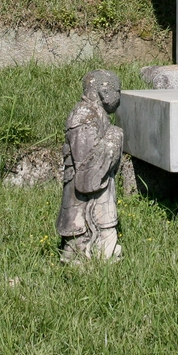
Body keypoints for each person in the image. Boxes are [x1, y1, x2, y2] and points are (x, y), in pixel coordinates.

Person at [56, 70, 124, 262]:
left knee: (106, 244)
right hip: (82, 206)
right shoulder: (83, 117)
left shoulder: (96, 114)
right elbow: (87, 175)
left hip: (101, 197)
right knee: (79, 253)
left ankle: (101, 256)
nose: (119, 97)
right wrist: (113, 137)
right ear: (104, 91)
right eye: (117, 91)